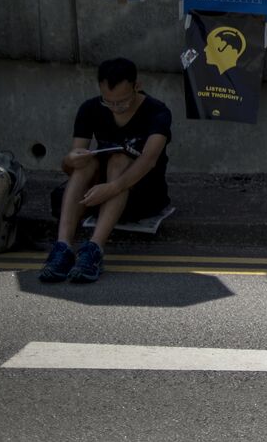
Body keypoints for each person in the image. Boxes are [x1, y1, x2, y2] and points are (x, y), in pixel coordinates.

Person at [38, 57, 173, 283]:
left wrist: (112, 188)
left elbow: (148, 160)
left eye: (121, 101)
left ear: (137, 86)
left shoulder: (157, 111)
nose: (115, 107)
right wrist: (69, 159)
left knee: (119, 159)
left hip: (142, 190)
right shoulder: (90, 109)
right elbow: (72, 168)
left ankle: (95, 248)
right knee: (86, 162)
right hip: (102, 192)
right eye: (108, 101)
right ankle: (62, 247)